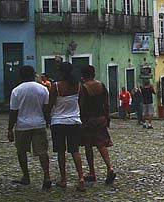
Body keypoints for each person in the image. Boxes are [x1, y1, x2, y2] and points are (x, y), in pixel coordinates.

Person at [7, 65, 52, 190]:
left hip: (22, 126)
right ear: (34, 74)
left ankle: (26, 176)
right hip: (39, 124)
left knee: (21, 152)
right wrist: (47, 122)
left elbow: (13, 112)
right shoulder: (43, 89)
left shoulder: (16, 91)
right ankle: (47, 176)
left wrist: (10, 128)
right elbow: (46, 109)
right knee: (42, 152)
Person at [49, 62, 85, 191]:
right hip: (74, 121)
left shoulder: (56, 87)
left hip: (58, 121)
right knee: (75, 151)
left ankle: (63, 179)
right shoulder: (78, 86)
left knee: (60, 152)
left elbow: (50, 104)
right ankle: (81, 177)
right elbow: (80, 103)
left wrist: (46, 116)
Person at [79, 65, 116, 184]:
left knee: (88, 145)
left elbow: (81, 104)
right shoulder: (101, 85)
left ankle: (92, 172)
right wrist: (107, 117)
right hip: (101, 118)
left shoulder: (84, 88)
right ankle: (109, 167)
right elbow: (106, 103)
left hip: (88, 119)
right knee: (101, 144)